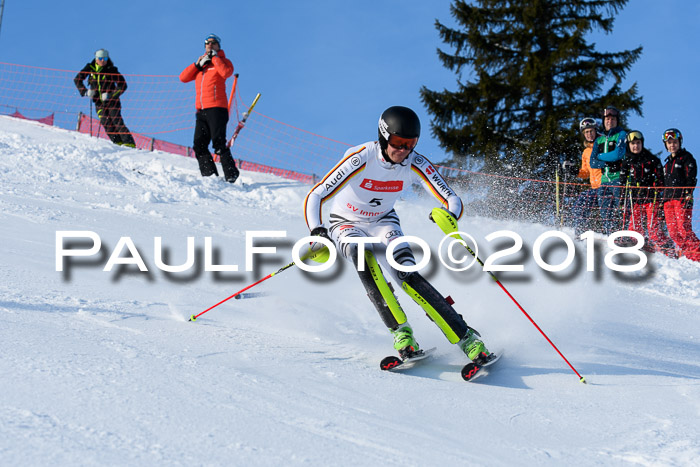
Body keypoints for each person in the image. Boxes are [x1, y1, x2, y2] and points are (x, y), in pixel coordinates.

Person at [303, 106, 492, 365]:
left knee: (406, 274)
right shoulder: (361, 157)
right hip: (346, 222)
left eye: (410, 143)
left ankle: (468, 338)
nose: (403, 150)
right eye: (397, 142)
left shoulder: (415, 161)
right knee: (362, 256)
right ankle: (402, 333)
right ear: (383, 137)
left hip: (383, 222)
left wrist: (450, 216)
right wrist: (317, 231)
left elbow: (451, 198)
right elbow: (317, 194)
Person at [179, 33, 239, 183]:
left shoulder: (223, 61)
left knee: (218, 143)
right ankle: (210, 176)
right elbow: (183, 78)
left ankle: (232, 175)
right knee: (198, 145)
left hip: (217, 108)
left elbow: (226, 73)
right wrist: (197, 65)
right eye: (207, 43)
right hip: (201, 110)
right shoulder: (202, 65)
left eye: (213, 43)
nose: (210, 45)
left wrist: (215, 58)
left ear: (219, 47)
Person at [617, 130, 677, 257]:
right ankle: (635, 245)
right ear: (629, 145)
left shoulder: (651, 160)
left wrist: (659, 192)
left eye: (638, 143)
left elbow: (662, 180)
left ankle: (667, 246)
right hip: (635, 200)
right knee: (634, 226)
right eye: (633, 143)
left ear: (642, 143)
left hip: (651, 199)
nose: (635, 146)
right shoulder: (627, 161)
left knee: (653, 229)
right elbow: (623, 183)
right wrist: (622, 201)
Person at [74, 49, 136, 147]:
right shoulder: (89, 68)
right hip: (98, 102)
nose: (103, 61)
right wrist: (85, 92)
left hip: (112, 102)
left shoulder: (111, 70)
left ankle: (129, 143)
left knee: (116, 121)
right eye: (100, 58)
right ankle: (118, 143)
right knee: (106, 122)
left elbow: (123, 85)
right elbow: (77, 80)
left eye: (105, 58)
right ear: (96, 59)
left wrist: (111, 95)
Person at [661, 128, 700, 262]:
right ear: (665, 144)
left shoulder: (686, 158)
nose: (672, 145)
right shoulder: (667, 163)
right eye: (669, 142)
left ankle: (697, 254)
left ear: (680, 142)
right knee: (673, 232)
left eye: (675, 142)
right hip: (668, 200)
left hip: (682, 199)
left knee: (684, 229)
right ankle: (690, 257)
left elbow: (692, 177)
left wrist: (688, 192)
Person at [589, 106, 627, 235]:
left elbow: (618, 154)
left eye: (612, 119)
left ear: (617, 121)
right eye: (607, 119)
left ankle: (626, 234)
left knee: (622, 210)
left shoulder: (621, 135)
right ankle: (610, 235)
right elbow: (592, 162)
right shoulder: (599, 139)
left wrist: (600, 156)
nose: (609, 121)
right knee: (605, 212)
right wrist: (605, 161)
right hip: (604, 181)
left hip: (618, 179)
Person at [571, 117, 602, 237]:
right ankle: (579, 232)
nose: (589, 134)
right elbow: (585, 173)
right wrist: (575, 171)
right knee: (579, 204)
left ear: (595, 130)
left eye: (591, 131)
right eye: (586, 132)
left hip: (605, 186)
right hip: (594, 188)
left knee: (607, 213)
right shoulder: (586, 152)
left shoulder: (603, 144)